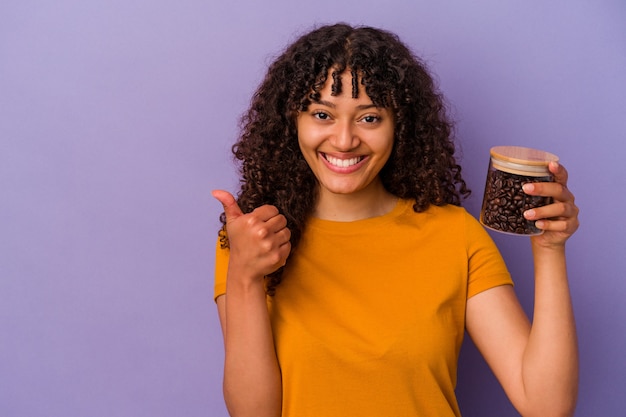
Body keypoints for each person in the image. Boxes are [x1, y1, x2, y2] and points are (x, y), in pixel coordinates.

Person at [212, 23, 579, 417]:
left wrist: (549, 249)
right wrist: (245, 276)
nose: (343, 140)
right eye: (322, 114)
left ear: (399, 126)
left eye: (369, 118)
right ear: (292, 122)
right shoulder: (256, 240)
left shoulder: (454, 234)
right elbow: (253, 413)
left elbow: (547, 406)